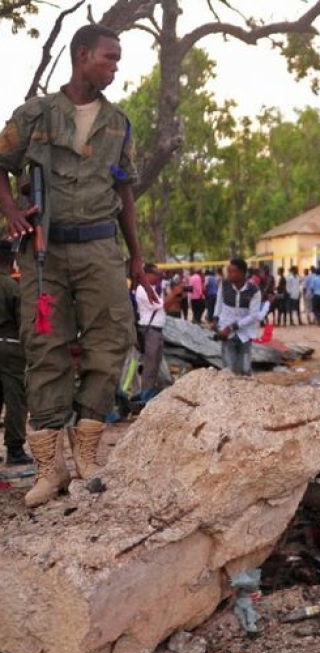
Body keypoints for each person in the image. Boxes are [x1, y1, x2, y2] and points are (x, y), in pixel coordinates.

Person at [0, 24, 153, 504]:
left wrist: (137, 257)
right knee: (46, 348)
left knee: (113, 338)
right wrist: (9, 212)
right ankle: (50, 468)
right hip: (45, 248)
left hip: (100, 248)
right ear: (82, 55)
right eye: (109, 58)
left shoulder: (119, 121)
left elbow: (124, 188)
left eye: (117, 60)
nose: (114, 67)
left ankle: (87, 450)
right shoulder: (35, 114)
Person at [0, 249, 30, 464]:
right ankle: (15, 449)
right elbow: (23, 322)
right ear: (11, 262)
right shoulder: (11, 286)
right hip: (10, 347)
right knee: (15, 399)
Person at [214, 257, 260, 376]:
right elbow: (218, 304)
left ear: (242, 273)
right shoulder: (224, 285)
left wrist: (232, 327)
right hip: (226, 333)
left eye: (232, 271)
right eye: (228, 271)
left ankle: (245, 393)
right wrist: (215, 321)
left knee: (245, 370)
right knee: (228, 371)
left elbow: (253, 316)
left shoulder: (254, 291)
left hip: (245, 333)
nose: (229, 274)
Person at [135, 263, 174, 393]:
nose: (157, 277)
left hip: (156, 331)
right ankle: (145, 395)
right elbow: (161, 305)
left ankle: (150, 393)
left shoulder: (153, 289)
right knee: (150, 367)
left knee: (155, 366)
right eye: (155, 274)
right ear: (146, 275)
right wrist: (175, 292)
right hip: (150, 331)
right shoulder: (142, 290)